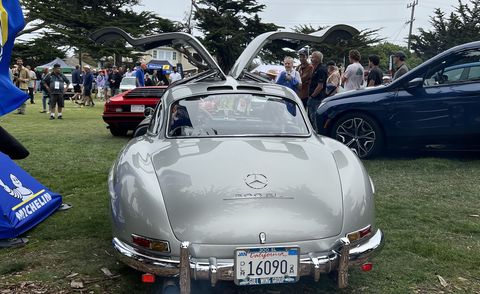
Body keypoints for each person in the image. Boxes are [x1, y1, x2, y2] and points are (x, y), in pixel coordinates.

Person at [307, 51, 328, 123]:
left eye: (313, 57)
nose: (311, 59)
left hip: (316, 98)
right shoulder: (316, 68)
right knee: (311, 118)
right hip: (315, 97)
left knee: (314, 118)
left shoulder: (321, 69)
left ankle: (316, 133)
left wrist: (312, 97)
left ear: (318, 59)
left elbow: (320, 86)